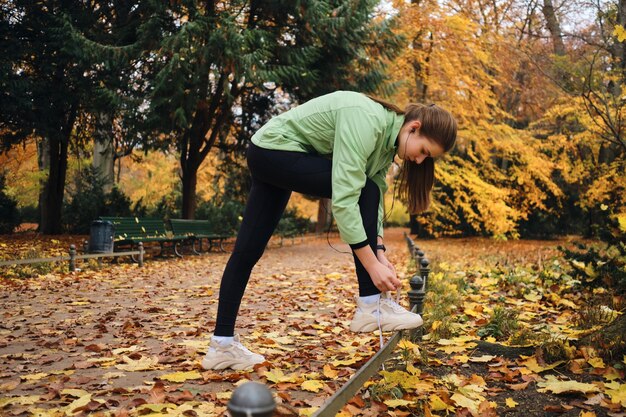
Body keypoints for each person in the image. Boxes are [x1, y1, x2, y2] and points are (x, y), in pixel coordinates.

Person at [201, 91, 457, 370]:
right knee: (363, 189)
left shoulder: (386, 143)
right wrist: (372, 267)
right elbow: (347, 198)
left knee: (247, 251)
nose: (419, 161)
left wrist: (380, 251)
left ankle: (221, 346)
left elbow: (376, 201)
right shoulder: (367, 119)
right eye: (423, 151)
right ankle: (371, 306)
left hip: (269, 152)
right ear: (414, 127)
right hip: (274, 150)